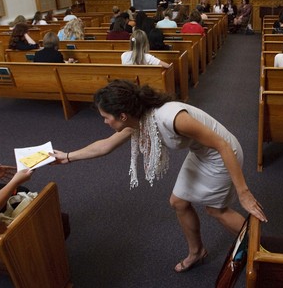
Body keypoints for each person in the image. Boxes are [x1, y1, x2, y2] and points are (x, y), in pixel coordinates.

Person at [49, 79, 267, 273]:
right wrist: (67, 156)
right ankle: (197, 251)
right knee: (179, 202)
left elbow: (222, 145)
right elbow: (105, 146)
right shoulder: (137, 120)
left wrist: (243, 192)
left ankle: (261, 251)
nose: (104, 122)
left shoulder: (171, 117)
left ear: (122, 116)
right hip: (201, 152)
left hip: (222, 153)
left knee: (215, 209)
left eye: (106, 117)